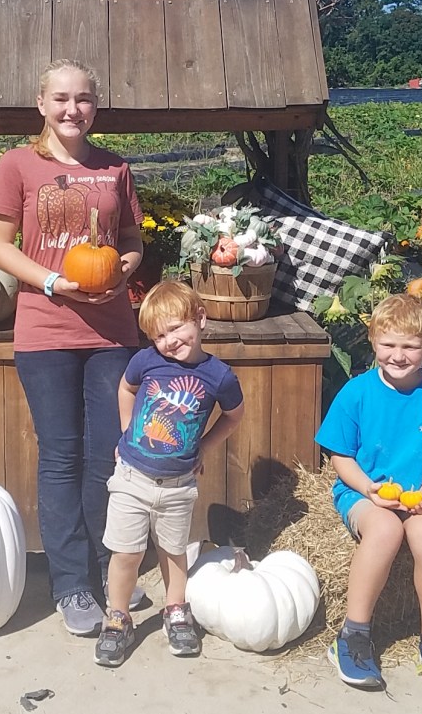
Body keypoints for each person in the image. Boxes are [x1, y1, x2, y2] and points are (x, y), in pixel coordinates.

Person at [0, 59, 145, 637]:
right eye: (61, 98)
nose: (72, 109)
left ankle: (109, 569)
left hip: (112, 334)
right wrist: (51, 281)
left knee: (109, 457)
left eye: (83, 99)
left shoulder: (115, 167)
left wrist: (124, 269)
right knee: (60, 457)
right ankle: (71, 581)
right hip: (45, 332)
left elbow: (131, 238)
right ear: (41, 103)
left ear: (95, 105)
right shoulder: (17, 165)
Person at [315, 293, 422, 693]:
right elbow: (341, 458)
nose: (398, 355)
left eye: (410, 346)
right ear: (373, 341)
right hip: (364, 492)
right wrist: (368, 488)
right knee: (386, 530)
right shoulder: (356, 392)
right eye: (389, 344)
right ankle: (353, 634)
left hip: (421, 494)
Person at [94, 280, 245, 667]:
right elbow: (126, 389)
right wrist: (126, 430)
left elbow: (233, 417)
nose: (169, 341)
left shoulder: (219, 376)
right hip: (131, 477)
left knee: (174, 552)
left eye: (176, 328)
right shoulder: (145, 361)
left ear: (200, 319)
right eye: (159, 335)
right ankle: (117, 617)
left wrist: (204, 447)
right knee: (125, 553)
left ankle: (175, 610)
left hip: (178, 486)